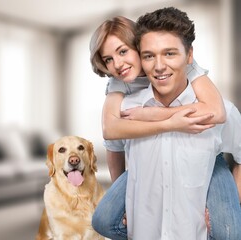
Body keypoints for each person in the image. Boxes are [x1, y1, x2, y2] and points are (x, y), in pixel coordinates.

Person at [90, 10, 241, 240]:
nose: (118, 64)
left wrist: (230, 205)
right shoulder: (122, 103)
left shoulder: (214, 102)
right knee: (103, 219)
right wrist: (123, 204)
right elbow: (112, 140)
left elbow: (218, 113)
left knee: (229, 233)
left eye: (169, 53)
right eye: (149, 56)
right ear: (142, 55)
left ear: (188, 55)